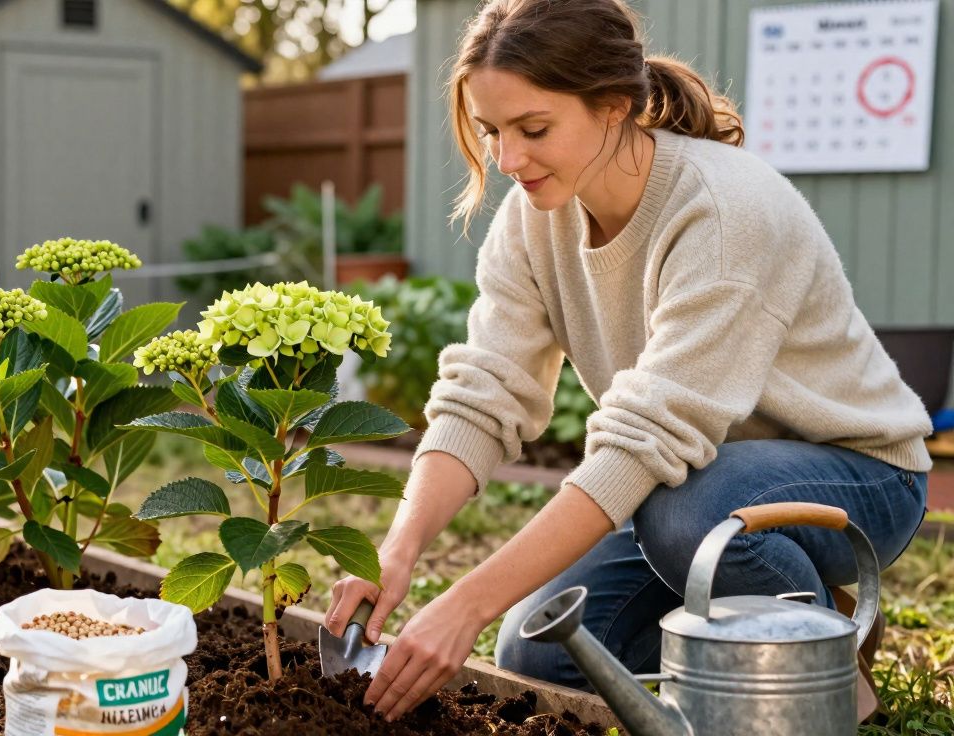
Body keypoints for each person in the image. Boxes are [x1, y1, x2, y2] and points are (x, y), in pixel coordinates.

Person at [322, 0, 933, 723]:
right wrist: (397, 552)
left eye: (534, 129)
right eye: (492, 132)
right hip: (696, 483)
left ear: (614, 107)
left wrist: (464, 604)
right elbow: (483, 396)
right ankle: (752, 618)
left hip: (856, 475)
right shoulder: (533, 217)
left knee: (685, 513)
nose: (509, 160)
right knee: (543, 650)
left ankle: (824, 667)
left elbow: (642, 446)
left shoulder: (724, 209)